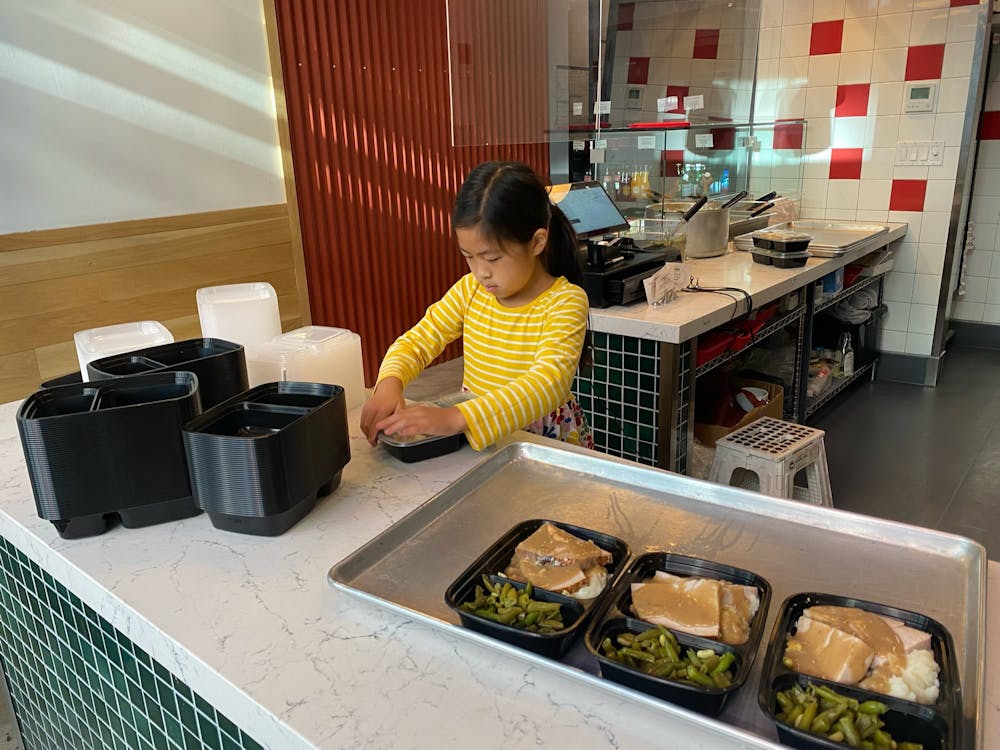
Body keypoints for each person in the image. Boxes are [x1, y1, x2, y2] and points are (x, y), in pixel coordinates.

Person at [360, 160, 594, 451]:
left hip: (540, 442)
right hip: (478, 434)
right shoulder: (470, 291)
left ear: (536, 243)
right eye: (468, 256)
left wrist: (455, 417)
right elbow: (417, 341)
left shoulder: (564, 302)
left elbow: (548, 383)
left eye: (492, 258)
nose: (481, 272)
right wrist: (389, 384)